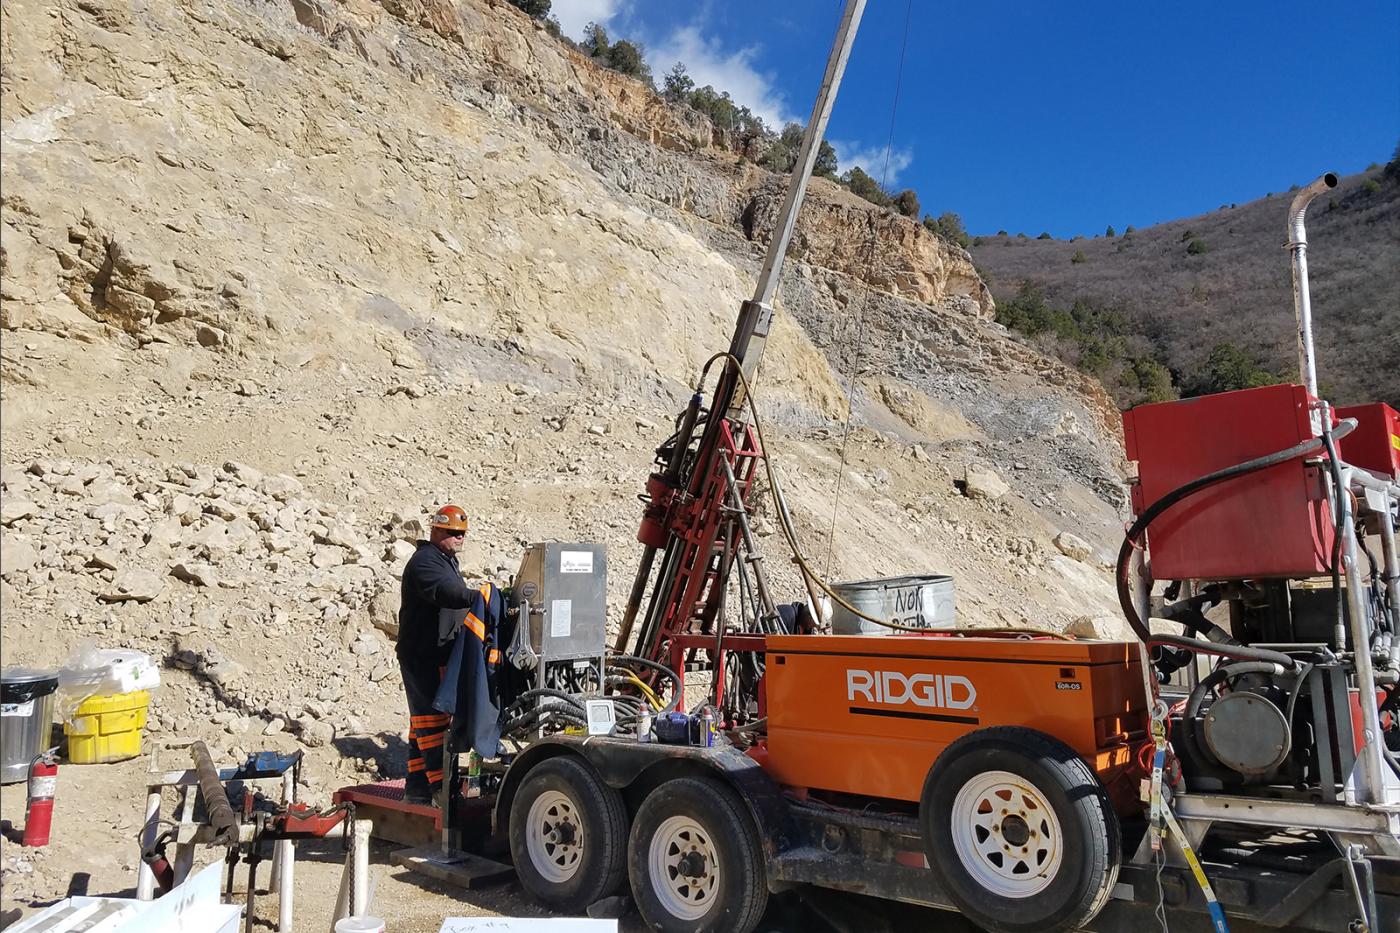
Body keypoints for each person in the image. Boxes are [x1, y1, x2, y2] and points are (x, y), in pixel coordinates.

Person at [396, 504, 483, 806]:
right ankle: (440, 791)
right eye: (451, 532)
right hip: (421, 656)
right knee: (432, 722)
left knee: (420, 722)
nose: (458, 538)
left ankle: (417, 788)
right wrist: (477, 596)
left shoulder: (445, 560)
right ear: (435, 530)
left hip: (433, 655)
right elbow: (444, 591)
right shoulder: (426, 562)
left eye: (462, 533)